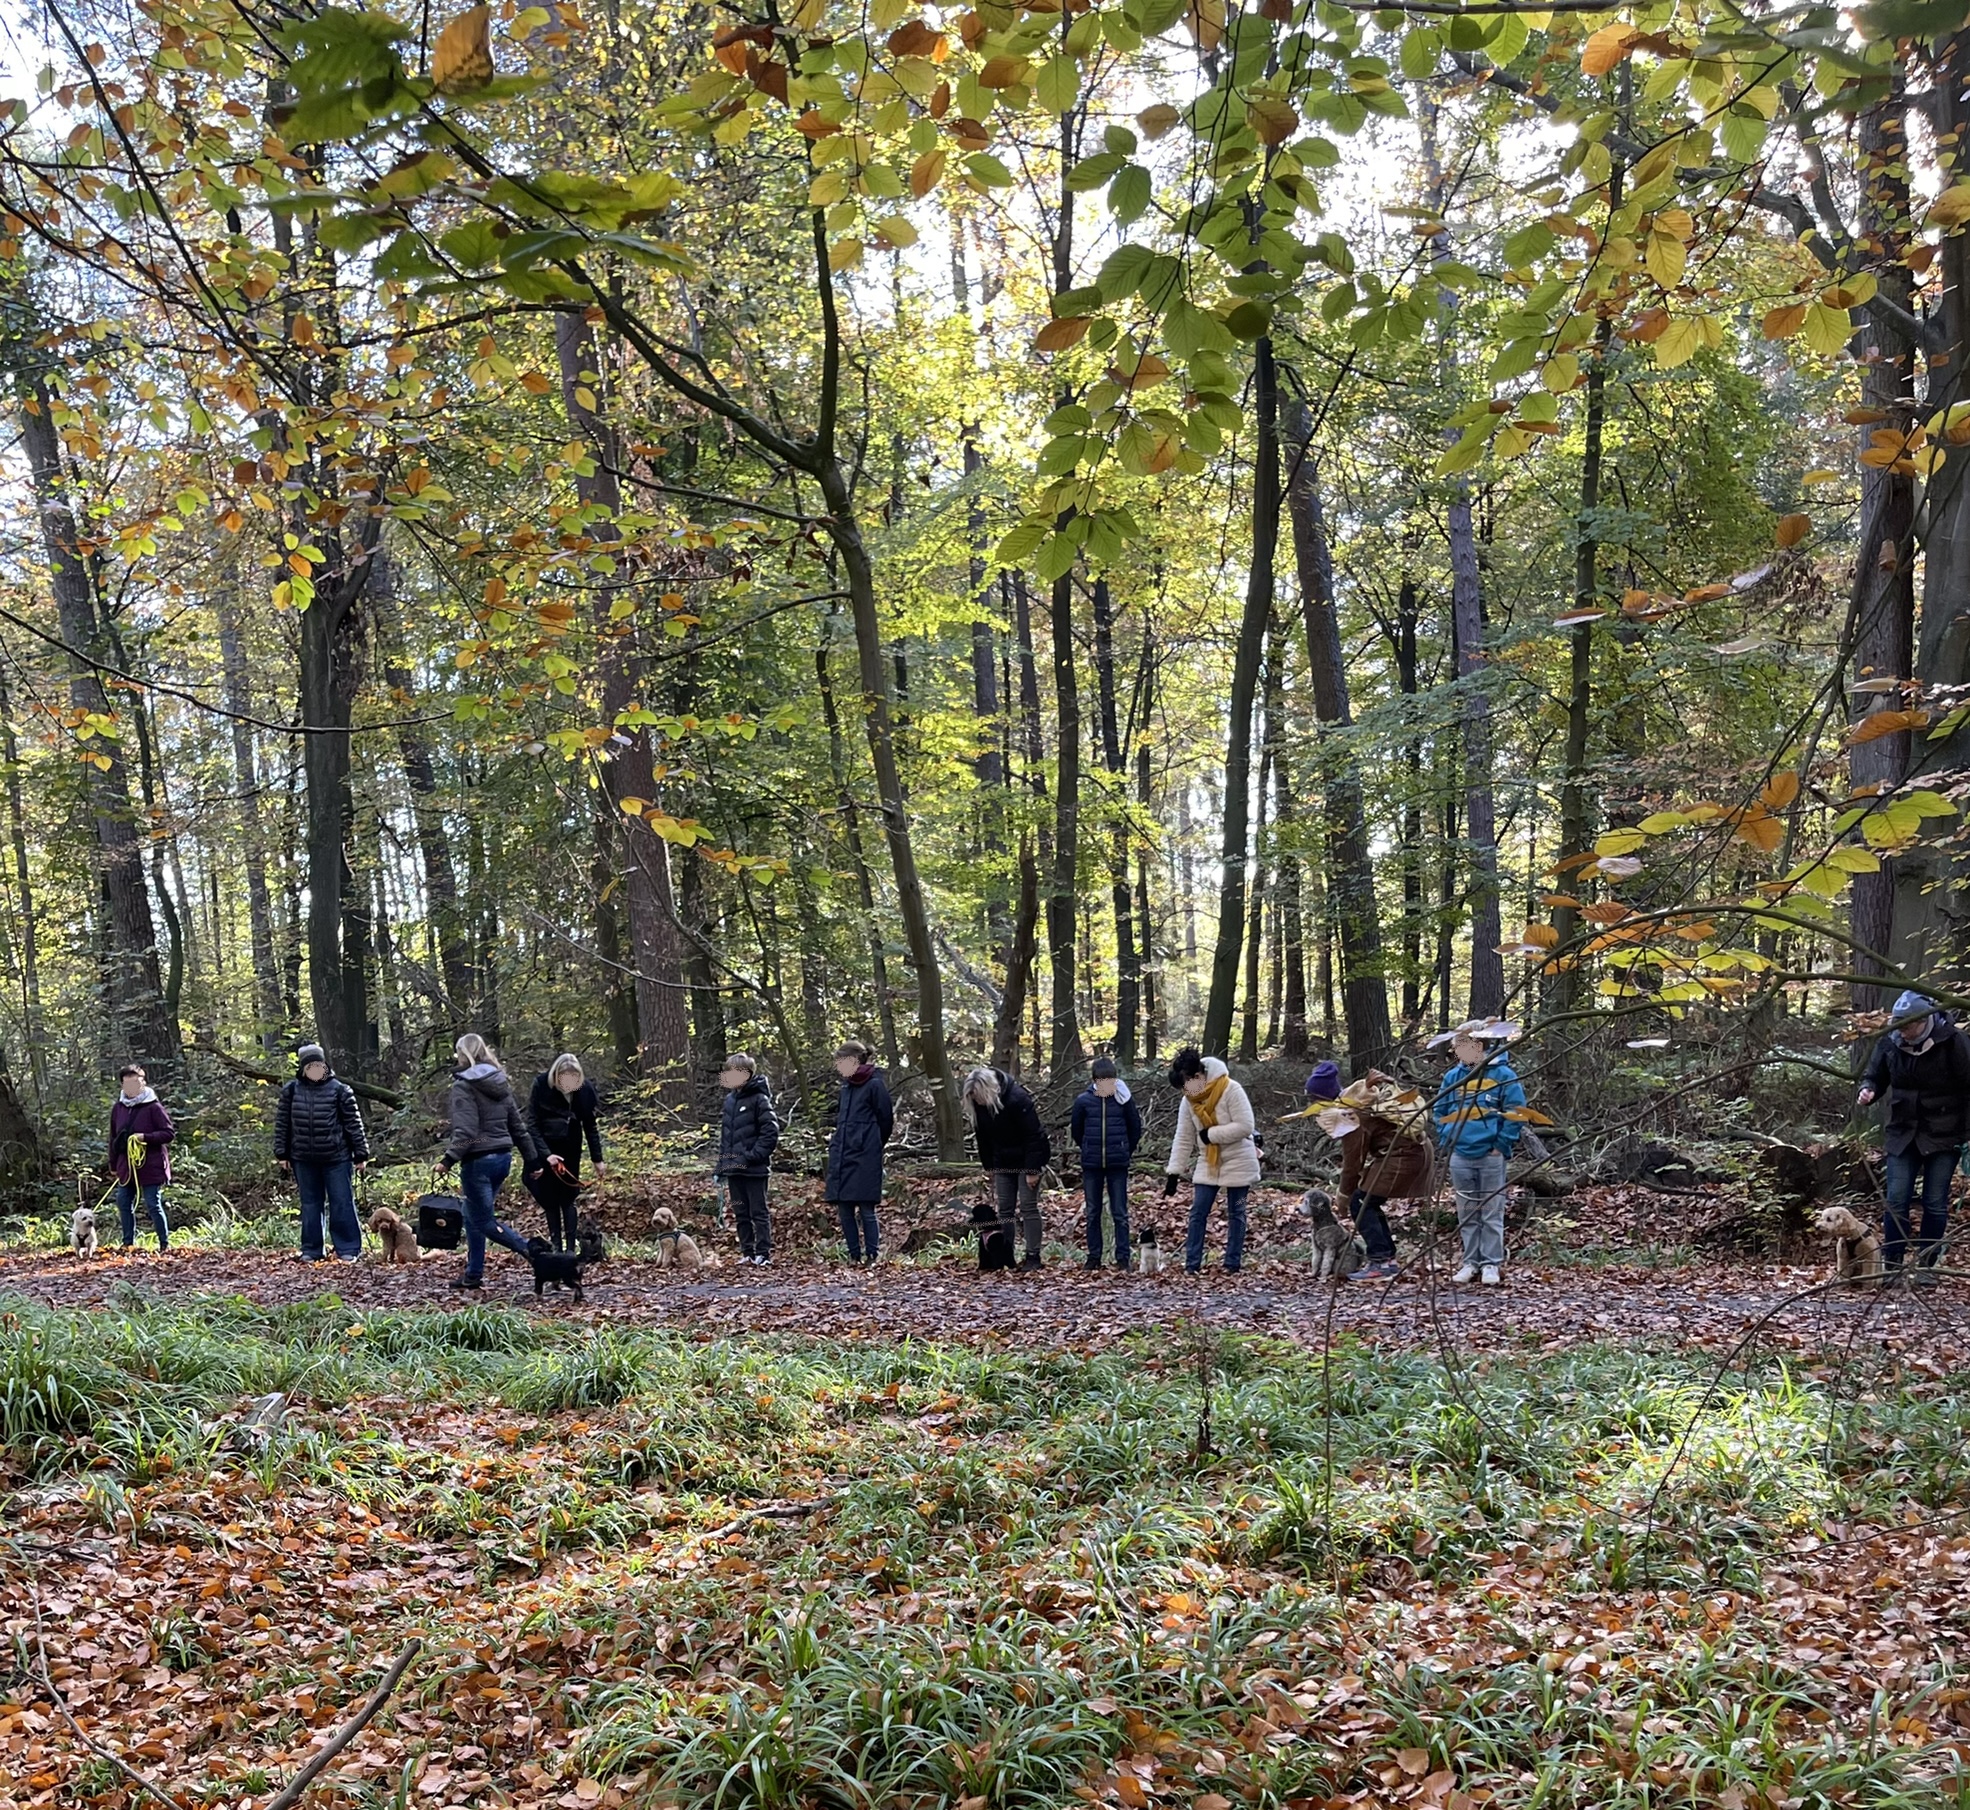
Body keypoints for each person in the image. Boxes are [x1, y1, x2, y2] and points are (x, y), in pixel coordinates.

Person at [1858, 989, 1970, 1283]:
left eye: (1909, 1025)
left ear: (1925, 1020)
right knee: (1896, 1199)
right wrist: (1868, 1090)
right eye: (1899, 1025)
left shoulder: (1954, 1042)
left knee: (1934, 1201)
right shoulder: (1890, 1041)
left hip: (1945, 1133)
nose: (1904, 1032)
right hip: (1903, 1131)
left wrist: (1967, 1134)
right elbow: (1875, 1075)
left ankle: (1925, 1266)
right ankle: (1892, 1266)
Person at [436, 1033, 545, 1291]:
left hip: (478, 1163)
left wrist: (448, 1160)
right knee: (472, 1216)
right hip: (502, 1159)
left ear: (464, 1054)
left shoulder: (463, 1085)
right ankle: (473, 1274)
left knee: (483, 1220)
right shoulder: (499, 1081)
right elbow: (518, 1128)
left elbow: (466, 1133)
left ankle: (532, 1252)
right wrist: (533, 1161)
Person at [1311, 1062, 1433, 1283]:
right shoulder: (1355, 1104)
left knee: (1361, 1202)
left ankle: (1381, 1261)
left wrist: (1343, 1196)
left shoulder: (1350, 1116)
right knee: (1367, 1201)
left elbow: (1353, 1163)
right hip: (1405, 1153)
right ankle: (1387, 1259)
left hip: (1403, 1156)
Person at [1430, 1023, 1526, 1287]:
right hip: (1460, 1155)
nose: (1455, 1051)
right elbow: (1440, 1111)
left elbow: (1516, 1112)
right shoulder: (1453, 1077)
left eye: (1461, 1046)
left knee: (1492, 1211)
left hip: (1491, 1156)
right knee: (1468, 1210)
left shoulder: (1504, 1075)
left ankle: (1491, 1264)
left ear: (1477, 1046)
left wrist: (1501, 1144)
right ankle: (1471, 1262)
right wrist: (1450, 1137)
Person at [1165, 1048, 1260, 1274]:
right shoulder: (1188, 1101)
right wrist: (1174, 1172)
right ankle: (1192, 1264)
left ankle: (1232, 1263)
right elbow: (1184, 1136)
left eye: (1186, 1084)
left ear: (1197, 1076)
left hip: (1239, 1161)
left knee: (1237, 1211)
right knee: (1198, 1211)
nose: (1185, 1091)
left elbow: (1246, 1125)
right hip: (1208, 1162)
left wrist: (1212, 1135)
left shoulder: (1231, 1089)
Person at [276, 1042, 370, 1263]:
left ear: (324, 1065)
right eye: (310, 1066)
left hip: (337, 1158)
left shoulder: (340, 1090)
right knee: (310, 1204)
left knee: (342, 1202)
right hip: (303, 1158)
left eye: (318, 1065)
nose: (315, 1070)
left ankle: (348, 1249)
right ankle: (311, 1249)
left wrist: (361, 1154)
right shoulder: (291, 1091)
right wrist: (282, 1153)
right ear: (303, 1068)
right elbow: (283, 1124)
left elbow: (354, 1125)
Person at [963, 1065, 1051, 1271]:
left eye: (977, 1096)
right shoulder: (980, 1106)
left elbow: (1034, 1135)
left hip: (1026, 1159)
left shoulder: (1017, 1099)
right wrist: (988, 1165)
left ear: (988, 1090)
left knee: (1028, 1208)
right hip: (1003, 1161)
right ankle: (1005, 1253)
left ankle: (1033, 1256)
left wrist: (1032, 1170)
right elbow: (982, 1138)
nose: (976, 1101)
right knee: (1005, 1211)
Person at [526, 1054, 605, 1252]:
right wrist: (546, 1155)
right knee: (549, 1200)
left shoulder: (585, 1090)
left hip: (571, 1147)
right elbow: (532, 1124)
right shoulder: (541, 1085)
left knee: (568, 1198)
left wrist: (598, 1159)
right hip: (545, 1146)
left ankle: (571, 1249)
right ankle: (556, 1247)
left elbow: (590, 1125)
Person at [825, 1040, 893, 1266]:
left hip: (866, 1154)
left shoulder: (875, 1084)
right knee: (844, 1208)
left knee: (866, 1209)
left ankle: (872, 1255)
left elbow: (886, 1120)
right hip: (843, 1153)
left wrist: (872, 1143)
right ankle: (853, 1255)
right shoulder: (846, 1087)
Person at [1070, 1056, 1141, 1270]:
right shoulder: (1083, 1101)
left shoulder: (1123, 1100)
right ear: (1094, 1081)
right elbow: (1077, 1131)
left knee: (1119, 1212)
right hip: (1092, 1165)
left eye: (1110, 1080)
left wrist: (1124, 1150)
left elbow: (1135, 1128)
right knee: (1093, 1212)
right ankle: (1094, 1257)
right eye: (1102, 1081)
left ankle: (1123, 1258)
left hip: (1117, 1163)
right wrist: (1089, 1148)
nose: (1107, 1085)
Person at [716, 1052, 781, 1265]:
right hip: (734, 1170)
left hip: (754, 1170)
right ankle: (747, 1253)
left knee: (758, 1212)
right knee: (740, 1211)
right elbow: (726, 1137)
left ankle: (763, 1254)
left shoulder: (759, 1099)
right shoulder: (729, 1101)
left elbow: (770, 1132)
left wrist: (754, 1156)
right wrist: (721, 1166)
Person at [107, 1063, 173, 1252]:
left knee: (153, 1203)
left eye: (136, 1083)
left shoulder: (154, 1107)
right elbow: (113, 1138)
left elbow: (168, 1134)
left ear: (143, 1083)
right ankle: (128, 1243)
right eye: (128, 1084)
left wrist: (145, 1137)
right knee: (123, 1202)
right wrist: (113, 1164)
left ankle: (164, 1244)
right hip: (125, 1166)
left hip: (151, 1164)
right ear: (122, 1085)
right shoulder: (118, 1108)